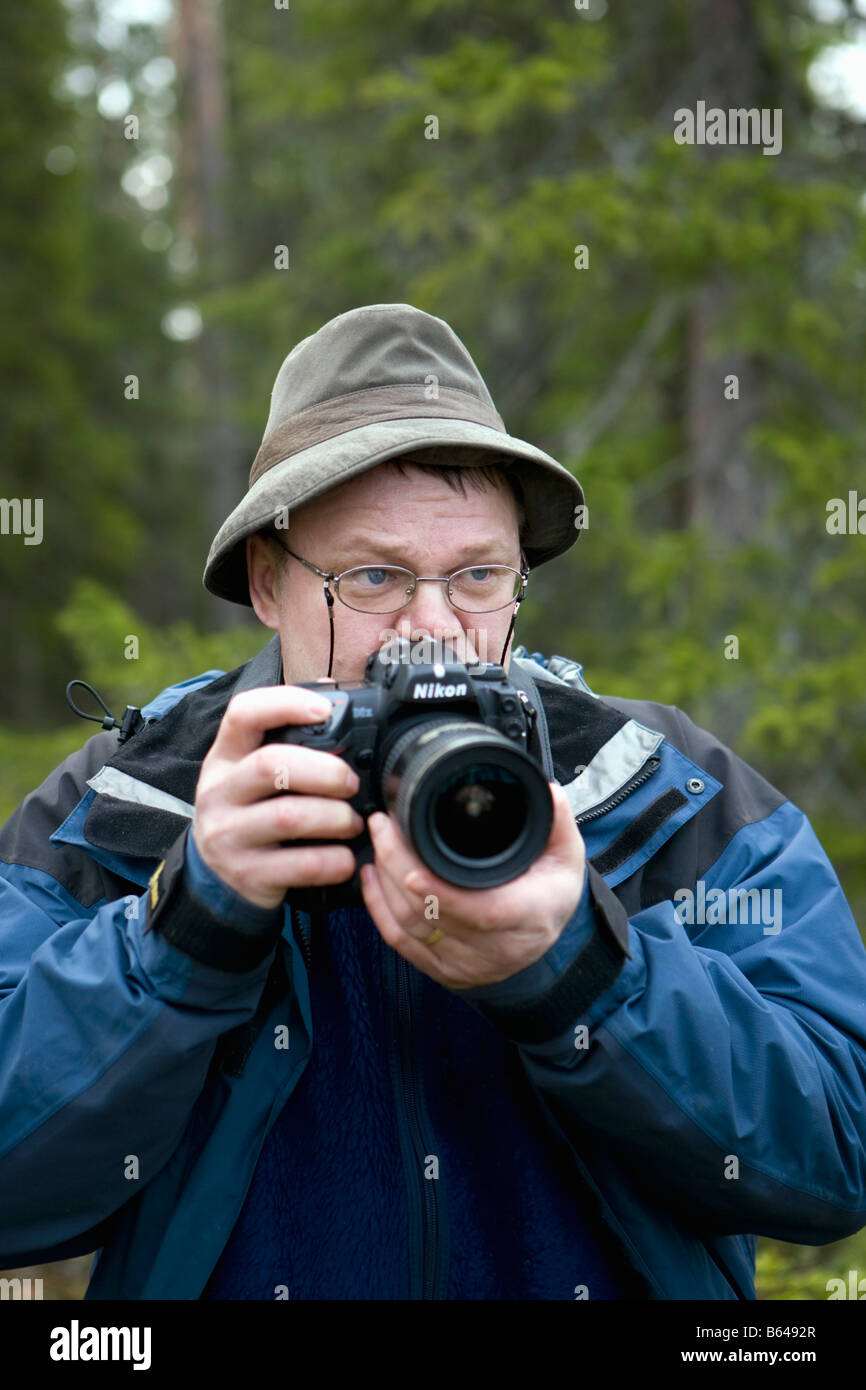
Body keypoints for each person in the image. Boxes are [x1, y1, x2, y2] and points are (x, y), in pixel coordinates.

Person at [1, 303, 865, 1301]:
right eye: (373, 576)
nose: (432, 629)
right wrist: (183, 935)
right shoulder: (123, 806)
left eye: (477, 575)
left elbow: (836, 1156)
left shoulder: (661, 788)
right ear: (268, 584)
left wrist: (581, 974)